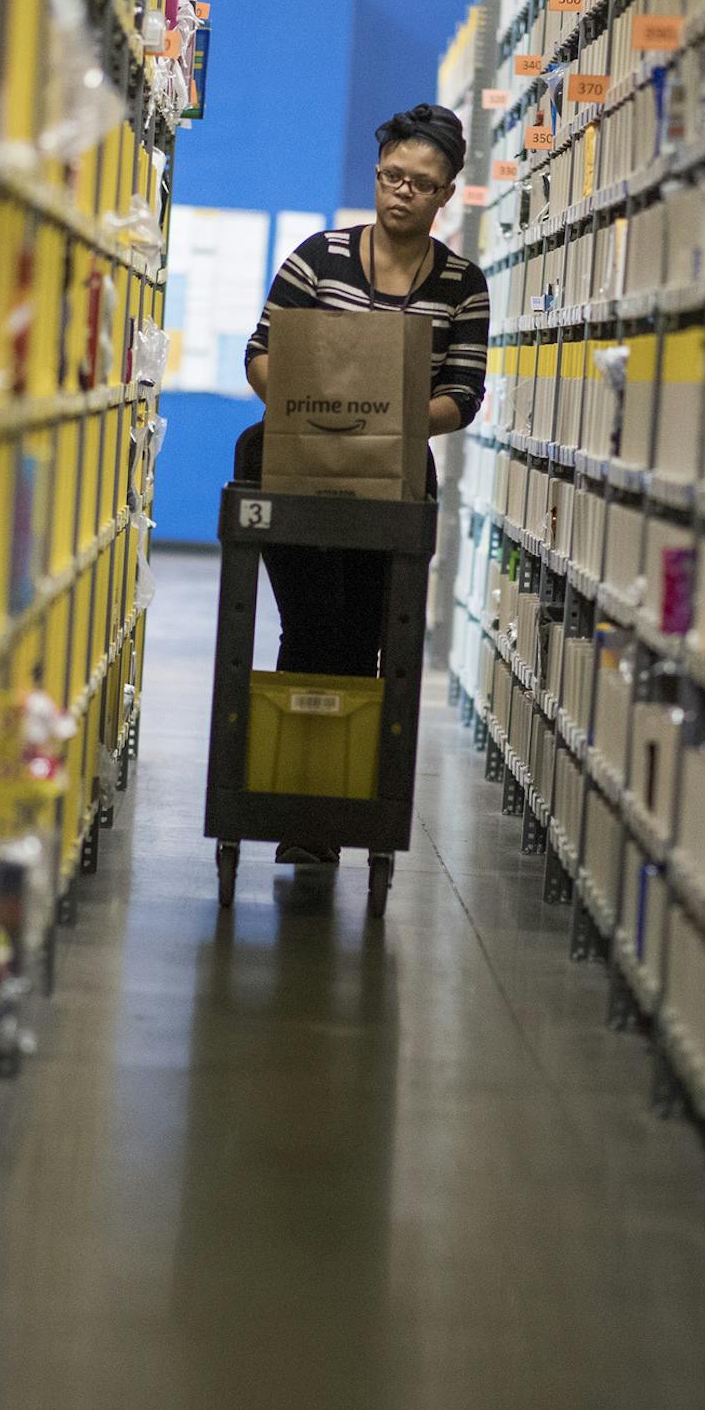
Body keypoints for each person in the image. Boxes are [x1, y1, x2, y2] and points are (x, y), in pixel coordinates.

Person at [235, 103, 490, 864]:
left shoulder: (461, 285)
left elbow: (465, 395)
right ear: (376, 177)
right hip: (297, 463)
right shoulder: (320, 257)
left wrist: (388, 419)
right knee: (314, 629)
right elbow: (259, 354)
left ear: (446, 194)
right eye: (391, 177)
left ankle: (336, 818)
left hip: (395, 468)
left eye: (420, 183)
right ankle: (307, 821)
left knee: (369, 641)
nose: (401, 193)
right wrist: (321, 408)